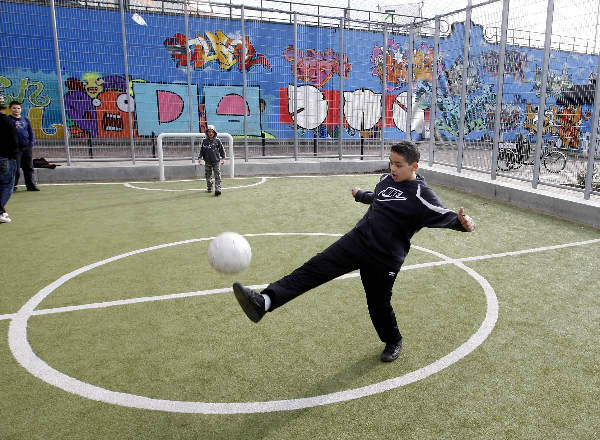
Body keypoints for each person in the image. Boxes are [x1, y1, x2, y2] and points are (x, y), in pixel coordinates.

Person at [232, 141, 476, 362]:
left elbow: (446, 215)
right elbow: (379, 198)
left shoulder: (422, 196)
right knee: (314, 268)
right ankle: (264, 301)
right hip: (357, 241)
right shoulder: (386, 180)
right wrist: (361, 195)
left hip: (384, 259)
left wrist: (464, 223)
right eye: (390, 162)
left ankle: (393, 340)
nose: (393, 168)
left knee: (378, 304)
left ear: (414, 166)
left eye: (398, 165)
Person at [8, 100, 39, 192]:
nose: (16, 110)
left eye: (18, 108)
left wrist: (31, 144)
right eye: (14, 108)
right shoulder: (8, 120)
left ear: (21, 109)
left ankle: (31, 186)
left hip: (26, 148)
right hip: (15, 149)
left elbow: (30, 132)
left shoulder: (25, 120)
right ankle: (13, 187)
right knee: (15, 169)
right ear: (10, 109)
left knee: (29, 167)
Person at [0, 94, 19, 223]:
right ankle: (0, 211)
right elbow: (14, 141)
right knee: (7, 185)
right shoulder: (7, 121)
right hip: (5, 157)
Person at [199, 125, 225, 196]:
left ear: (214, 133)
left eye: (212, 132)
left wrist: (223, 158)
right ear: (207, 133)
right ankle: (209, 187)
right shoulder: (204, 141)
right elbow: (202, 151)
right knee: (208, 175)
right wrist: (200, 158)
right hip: (207, 161)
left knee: (217, 175)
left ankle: (218, 189)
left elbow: (221, 150)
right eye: (209, 132)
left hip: (216, 161)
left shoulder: (217, 141)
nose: (210, 133)